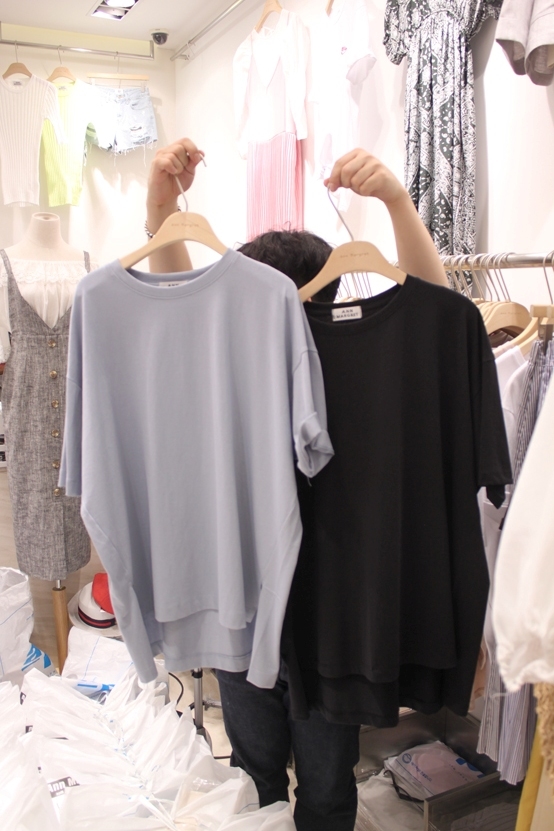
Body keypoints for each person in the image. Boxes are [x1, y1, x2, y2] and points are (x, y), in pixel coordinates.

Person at [144, 137, 447, 831]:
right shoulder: (229, 368)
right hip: (244, 614)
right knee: (255, 778)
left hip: (327, 624)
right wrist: (160, 211)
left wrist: (397, 202)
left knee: (326, 789)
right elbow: (179, 315)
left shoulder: (357, 370)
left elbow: (437, 314)